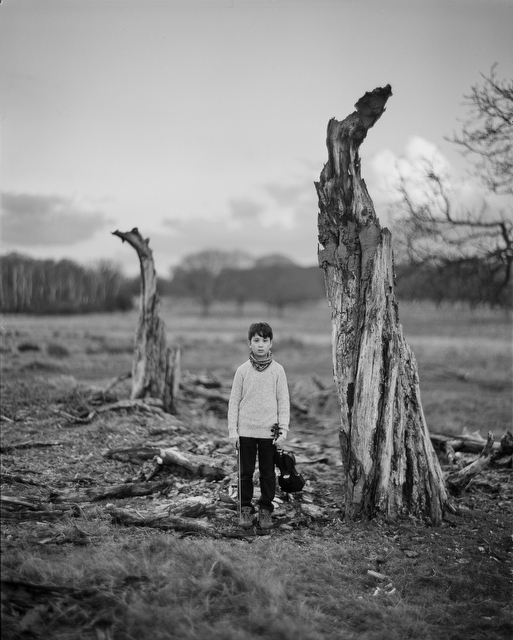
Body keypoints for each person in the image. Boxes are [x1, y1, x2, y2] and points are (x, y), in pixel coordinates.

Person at [227, 322, 290, 529]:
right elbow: (233, 403)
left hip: (268, 433)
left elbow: (283, 403)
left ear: (271, 343)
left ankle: (265, 510)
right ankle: (245, 509)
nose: (260, 345)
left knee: (267, 474)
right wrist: (233, 432)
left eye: (264, 340)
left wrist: (283, 431)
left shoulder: (278, 371)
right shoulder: (242, 371)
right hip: (245, 432)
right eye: (256, 340)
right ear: (249, 343)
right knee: (244, 473)